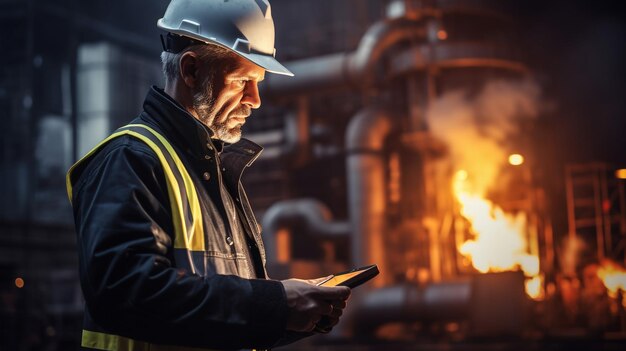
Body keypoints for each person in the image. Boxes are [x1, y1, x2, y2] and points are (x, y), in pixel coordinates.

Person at [66, 1, 350, 350]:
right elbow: (124, 295)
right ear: (192, 70)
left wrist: (293, 313)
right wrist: (275, 302)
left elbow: (216, 317)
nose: (256, 99)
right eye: (244, 80)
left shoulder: (210, 170)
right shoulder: (130, 159)